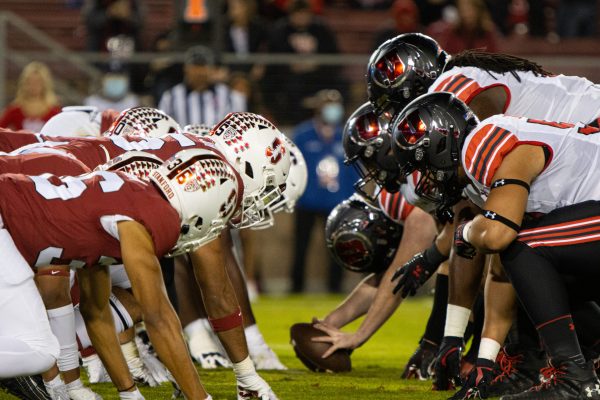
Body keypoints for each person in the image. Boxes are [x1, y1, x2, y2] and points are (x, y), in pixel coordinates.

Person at [392, 90, 600, 399]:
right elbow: (503, 271)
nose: (427, 180)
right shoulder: (480, 180)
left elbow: (497, 236)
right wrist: (484, 362)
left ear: (440, 146)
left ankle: (574, 377)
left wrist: (466, 232)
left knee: (525, 247)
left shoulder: (482, 144)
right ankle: (527, 370)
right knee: (531, 268)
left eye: (424, 168)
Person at [290, 89, 357, 293]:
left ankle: (334, 288)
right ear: (318, 108)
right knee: (301, 246)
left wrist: (352, 197)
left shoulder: (347, 135)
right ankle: (296, 287)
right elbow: (292, 167)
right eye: (328, 105)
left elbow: (355, 170)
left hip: (336, 203)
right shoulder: (302, 135)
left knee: (336, 247)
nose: (333, 110)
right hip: (307, 201)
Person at [263, 0, 342, 124]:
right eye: (298, 14)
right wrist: (291, 65)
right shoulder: (280, 31)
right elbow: (274, 59)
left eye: (304, 14)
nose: (301, 18)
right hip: (290, 79)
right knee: (280, 86)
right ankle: (289, 122)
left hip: (319, 76)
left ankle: (330, 123)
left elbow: (334, 56)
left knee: (337, 85)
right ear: (291, 15)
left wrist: (316, 64)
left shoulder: (321, 30)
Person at [158, 46, 247, 126]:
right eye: (195, 66)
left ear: (211, 69)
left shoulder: (230, 97)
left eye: (203, 66)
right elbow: (164, 128)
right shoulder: (170, 97)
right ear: (186, 68)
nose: (199, 72)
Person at [0, 62, 61, 132]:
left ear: (45, 84)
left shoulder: (54, 111)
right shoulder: (14, 110)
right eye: (30, 82)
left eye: (38, 82)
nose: (34, 85)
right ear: (24, 84)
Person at [426, 0, 498, 54]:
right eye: (463, 10)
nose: (466, 14)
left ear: (478, 11)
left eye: (470, 10)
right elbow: (446, 56)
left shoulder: (487, 32)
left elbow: (494, 58)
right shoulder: (452, 32)